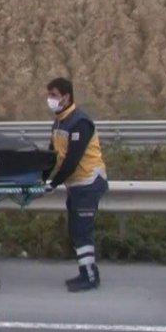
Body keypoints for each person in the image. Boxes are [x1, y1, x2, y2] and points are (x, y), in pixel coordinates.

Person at [45, 77, 109, 292]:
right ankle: (86, 272)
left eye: (53, 95)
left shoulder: (80, 122)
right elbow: (51, 155)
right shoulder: (60, 122)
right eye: (49, 95)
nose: (50, 99)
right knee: (76, 229)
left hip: (88, 182)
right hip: (76, 184)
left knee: (82, 230)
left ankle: (90, 277)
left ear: (66, 96)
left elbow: (72, 159)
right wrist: (40, 176)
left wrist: (52, 183)